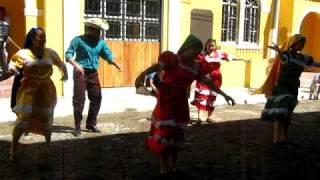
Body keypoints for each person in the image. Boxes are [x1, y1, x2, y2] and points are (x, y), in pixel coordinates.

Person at [135, 35, 235, 175]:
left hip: (181, 100)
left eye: (198, 50)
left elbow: (208, 82)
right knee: (166, 131)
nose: (196, 53)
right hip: (167, 100)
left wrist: (224, 94)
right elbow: (159, 66)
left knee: (177, 132)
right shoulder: (172, 59)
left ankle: (174, 164)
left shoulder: (195, 66)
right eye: (195, 49)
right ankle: (164, 166)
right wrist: (143, 73)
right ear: (187, 48)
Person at [0, 27, 68, 161]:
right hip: (29, 89)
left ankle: (48, 147)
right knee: (23, 118)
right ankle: (14, 147)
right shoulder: (23, 54)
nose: (43, 39)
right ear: (33, 39)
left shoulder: (50, 53)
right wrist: (1, 78)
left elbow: (61, 64)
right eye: (40, 37)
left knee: (46, 118)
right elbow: (12, 71)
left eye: (44, 36)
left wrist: (65, 74)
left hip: (46, 91)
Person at [256, 34, 320, 143]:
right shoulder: (286, 55)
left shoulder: (303, 57)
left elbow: (316, 63)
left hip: (293, 87)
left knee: (288, 113)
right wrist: (279, 51)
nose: (302, 45)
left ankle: (284, 136)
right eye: (301, 43)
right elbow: (283, 58)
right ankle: (276, 137)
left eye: (304, 44)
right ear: (294, 43)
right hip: (282, 87)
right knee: (280, 112)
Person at [65, 18, 121, 136]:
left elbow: (107, 55)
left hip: (93, 74)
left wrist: (115, 63)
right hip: (81, 72)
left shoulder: (100, 42)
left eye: (100, 31)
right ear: (90, 30)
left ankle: (91, 124)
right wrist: (76, 65)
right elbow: (68, 55)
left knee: (96, 98)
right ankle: (77, 126)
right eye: (98, 30)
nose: (100, 33)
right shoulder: (78, 40)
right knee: (79, 100)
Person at [191, 39, 247, 125]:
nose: (211, 47)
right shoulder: (202, 55)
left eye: (212, 45)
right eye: (209, 45)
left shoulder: (219, 54)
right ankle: (199, 118)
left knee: (212, 97)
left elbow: (231, 57)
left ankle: (209, 117)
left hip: (216, 79)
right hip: (204, 78)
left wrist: (242, 59)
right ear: (206, 46)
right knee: (201, 97)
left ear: (215, 46)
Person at [0, 6, 9, 73]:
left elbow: (5, 34)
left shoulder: (6, 22)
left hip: (3, 43)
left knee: (4, 56)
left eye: (1, 12)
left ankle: (5, 71)